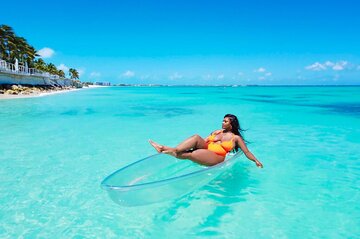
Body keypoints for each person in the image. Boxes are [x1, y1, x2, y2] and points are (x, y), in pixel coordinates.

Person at [149, 114, 263, 167]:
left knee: (191, 154)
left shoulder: (236, 138)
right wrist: (198, 142)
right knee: (196, 137)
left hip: (217, 157)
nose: (222, 123)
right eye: (222, 120)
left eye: (225, 121)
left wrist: (256, 161)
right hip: (206, 149)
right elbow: (203, 141)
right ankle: (168, 149)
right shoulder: (217, 132)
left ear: (232, 124)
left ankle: (165, 149)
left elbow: (246, 152)